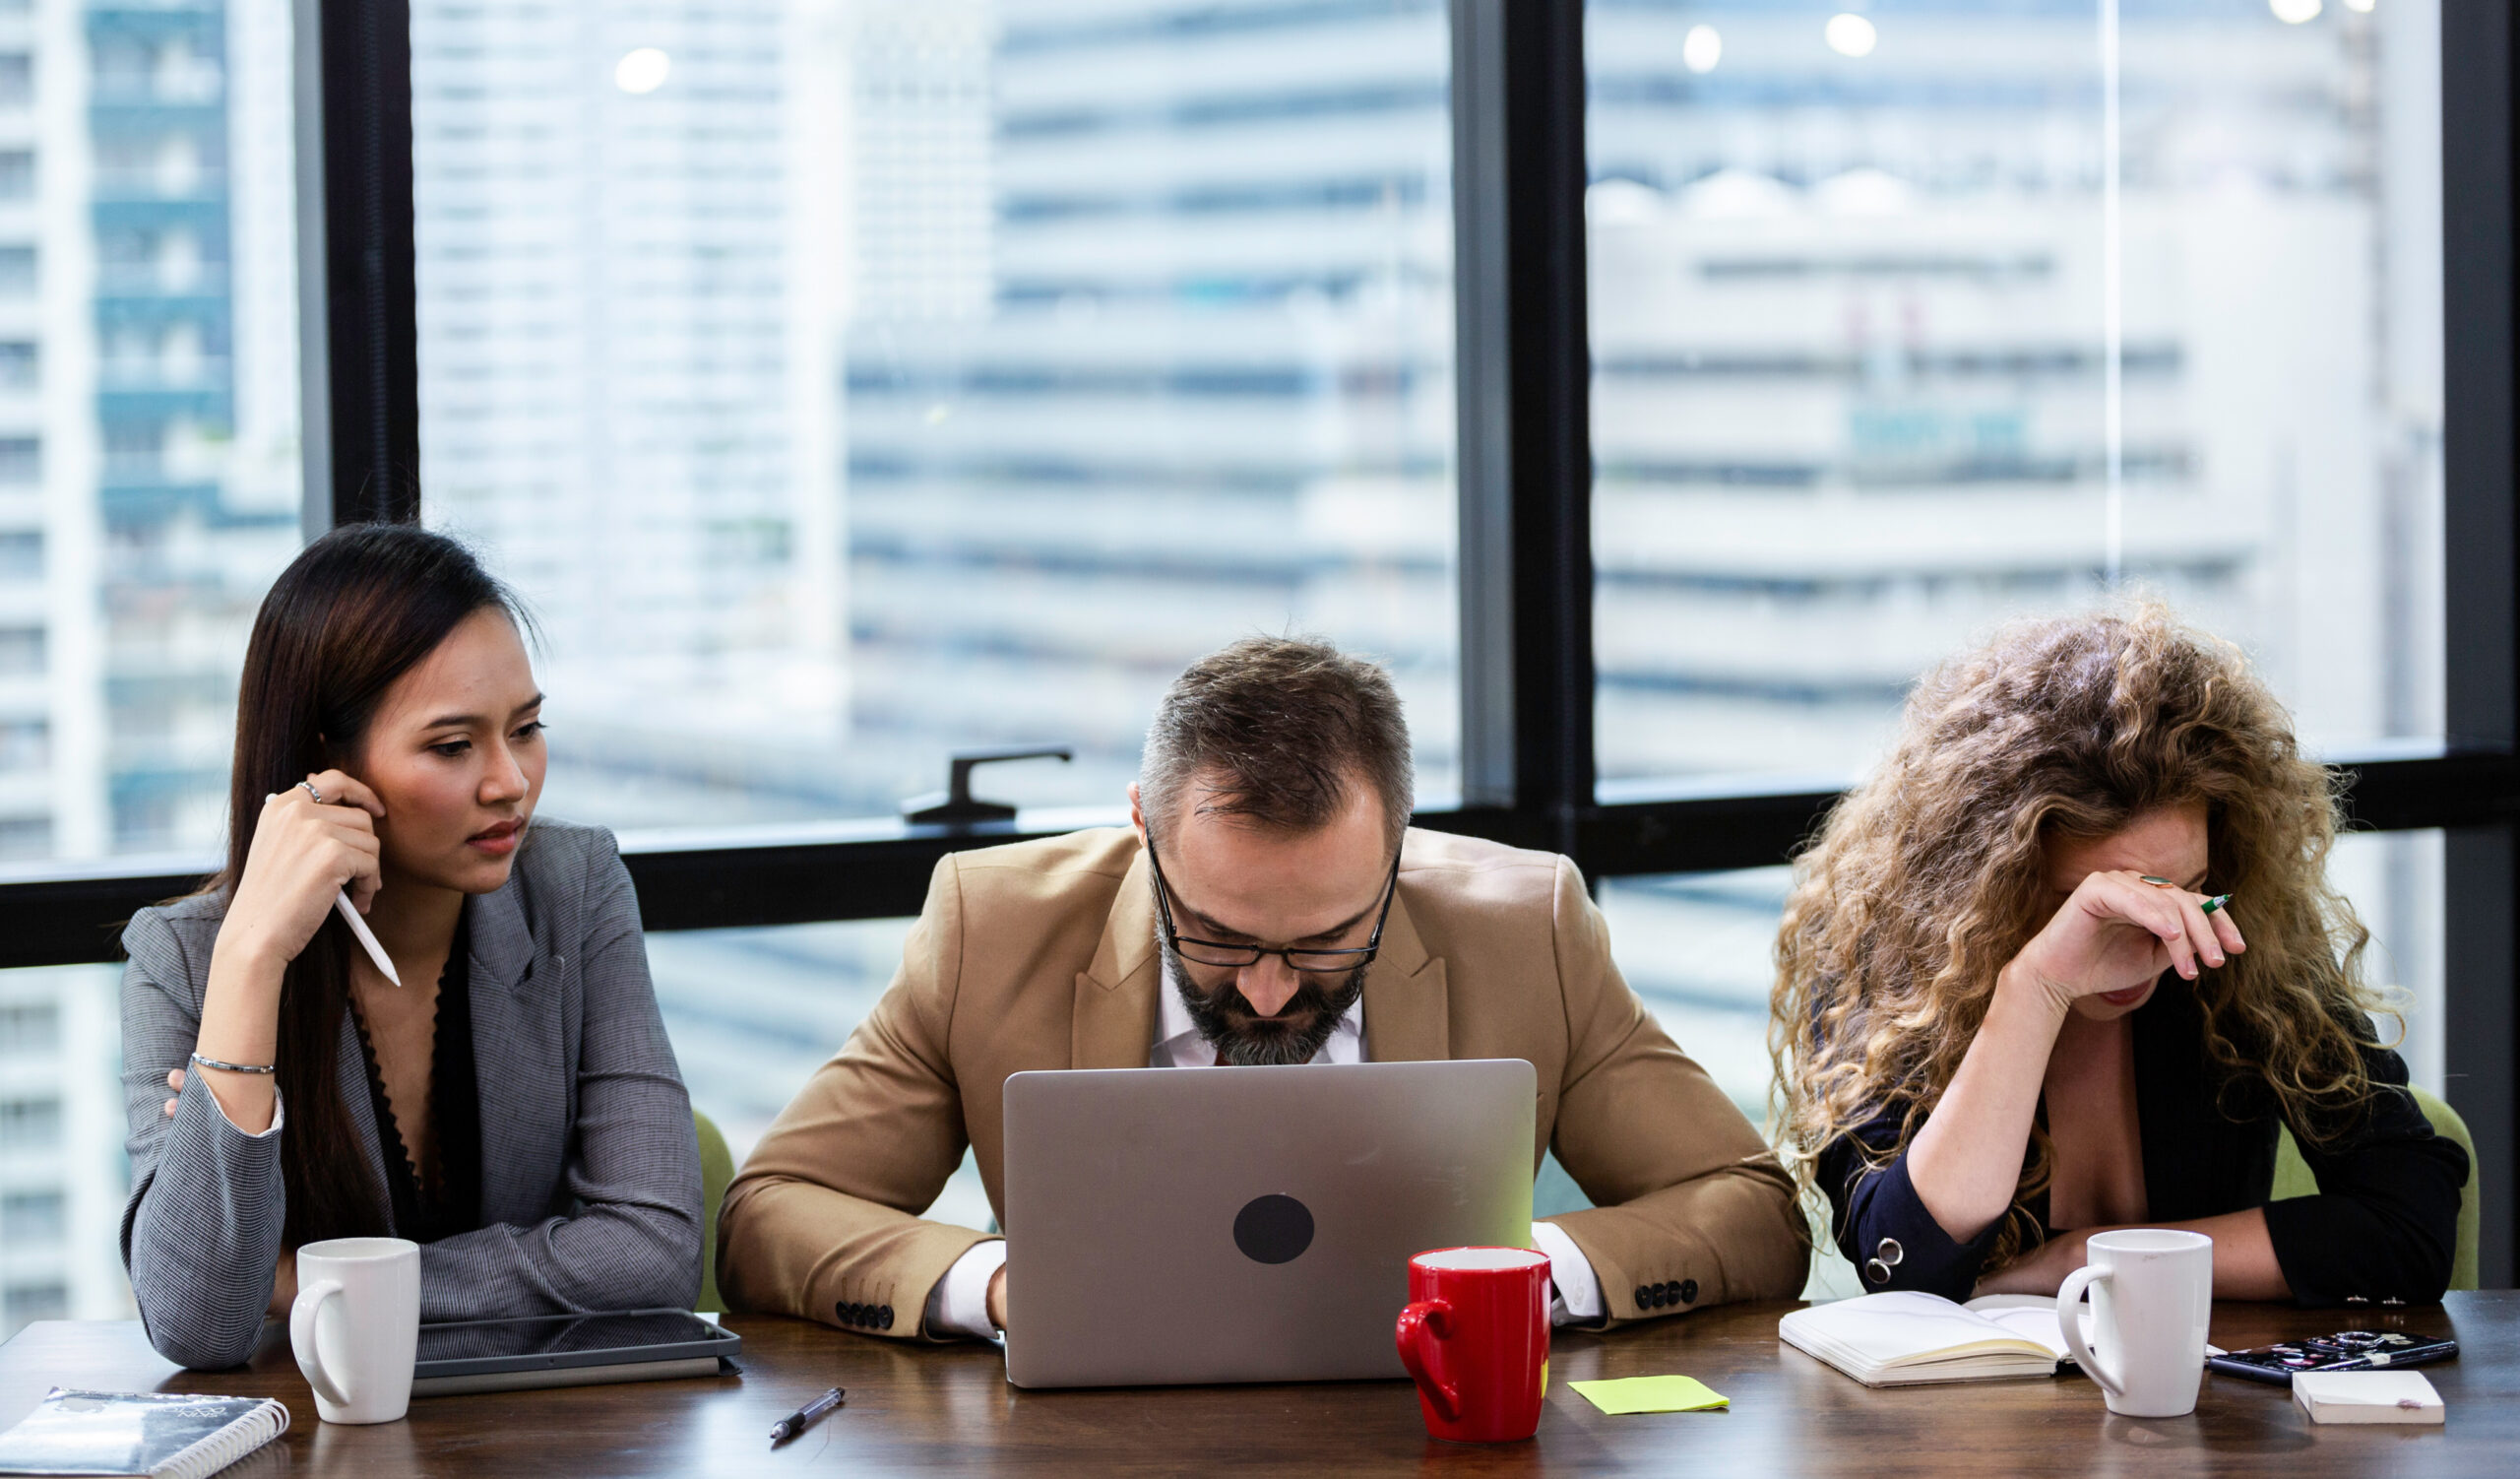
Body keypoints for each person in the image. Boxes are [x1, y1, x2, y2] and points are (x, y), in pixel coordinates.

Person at [720, 636, 1807, 1341]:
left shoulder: (1530, 924)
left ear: (1398, 850)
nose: (1277, 989)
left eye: (1333, 938)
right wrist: (1001, 1287)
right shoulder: (989, 924)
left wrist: (1527, 1272)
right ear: (1141, 829)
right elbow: (769, 1214)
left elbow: (1749, 1207)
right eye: (1219, 935)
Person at [119, 524, 701, 1370]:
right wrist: (249, 960)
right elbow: (200, 1324)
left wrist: (310, 1285)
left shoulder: (573, 890)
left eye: (527, 729)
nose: (510, 782)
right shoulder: (185, 962)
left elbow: (655, 1252)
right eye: (453, 745)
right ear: (328, 765)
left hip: (549, 1438)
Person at [1770, 607, 2468, 1306]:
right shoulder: (1886, 970)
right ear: (1983, 888)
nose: (2150, 944)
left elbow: (2411, 1225)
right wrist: (2035, 989)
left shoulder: (2238, 946)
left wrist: (2088, 1259)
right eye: (2093, 905)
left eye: (2187, 891)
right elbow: (1905, 1270)